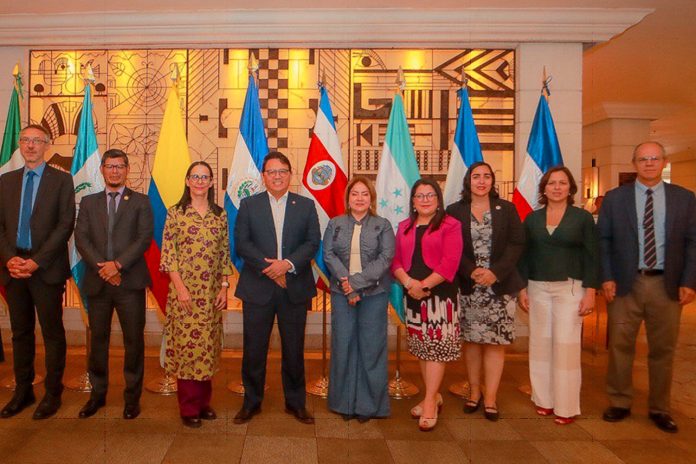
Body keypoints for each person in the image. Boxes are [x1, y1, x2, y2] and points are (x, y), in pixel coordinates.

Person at [598, 141, 696, 433]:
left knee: (663, 349)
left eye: (654, 158)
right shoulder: (615, 198)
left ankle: (659, 408)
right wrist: (606, 276)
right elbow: (602, 240)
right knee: (620, 345)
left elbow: (693, 242)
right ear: (634, 163)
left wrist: (689, 281)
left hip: (667, 284)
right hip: (626, 283)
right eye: (643, 159)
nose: (649, 163)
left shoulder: (685, 198)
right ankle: (619, 401)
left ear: (664, 161)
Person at [233, 151, 320, 425]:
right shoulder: (249, 205)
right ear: (264, 176)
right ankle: (251, 402)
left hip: (294, 288)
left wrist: (288, 265)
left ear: (290, 174)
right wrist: (271, 269)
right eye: (272, 172)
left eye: (282, 171)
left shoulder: (305, 206)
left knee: (294, 349)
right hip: (258, 288)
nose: (277, 176)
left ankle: (296, 403)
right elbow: (242, 243)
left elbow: (312, 242)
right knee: (254, 349)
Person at [0, 124, 75, 420]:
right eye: (25, 140)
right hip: (13, 269)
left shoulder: (61, 180)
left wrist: (37, 261)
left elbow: (65, 224)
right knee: (20, 333)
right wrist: (9, 259)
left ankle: (53, 393)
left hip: (45, 270)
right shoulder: (5, 181)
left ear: (47, 145)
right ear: (20, 144)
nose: (30, 146)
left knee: (52, 333)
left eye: (37, 141)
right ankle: (23, 390)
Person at [74, 149, 153, 420]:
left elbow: (144, 238)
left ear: (127, 169)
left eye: (120, 166)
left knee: (133, 342)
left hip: (129, 282)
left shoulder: (141, 201)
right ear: (103, 170)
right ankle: (97, 395)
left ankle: (132, 399)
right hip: (98, 284)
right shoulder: (88, 202)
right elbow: (81, 239)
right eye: (110, 166)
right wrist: (104, 268)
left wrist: (117, 265)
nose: (115, 171)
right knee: (98, 341)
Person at [518, 166, 599, 425]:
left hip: (570, 289)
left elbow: (592, 256)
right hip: (537, 287)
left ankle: (566, 407)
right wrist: (522, 288)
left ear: (570, 188)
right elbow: (524, 255)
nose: (556, 187)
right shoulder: (532, 219)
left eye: (562, 183)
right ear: (544, 188)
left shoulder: (582, 218)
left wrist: (591, 292)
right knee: (540, 345)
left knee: (566, 346)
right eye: (551, 183)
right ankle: (544, 400)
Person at [446, 162, 525, 421]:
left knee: (494, 344)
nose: (481, 181)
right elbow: (451, 248)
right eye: (476, 176)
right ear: (468, 181)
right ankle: (474, 392)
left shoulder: (507, 209)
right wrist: (471, 270)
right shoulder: (454, 211)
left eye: (487, 176)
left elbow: (516, 244)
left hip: (498, 288)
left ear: (493, 181)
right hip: (469, 287)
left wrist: (495, 272)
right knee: (471, 341)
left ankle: (491, 397)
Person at [160, 161, 232, 428]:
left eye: (205, 177)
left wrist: (225, 288)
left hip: (211, 295)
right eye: (195, 176)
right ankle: (188, 407)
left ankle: (204, 402)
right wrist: (180, 289)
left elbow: (224, 253)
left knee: (208, 349)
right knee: (188, 350)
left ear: (212, 182)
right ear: (187, 181)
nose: (200, 181)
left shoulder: (219, 215)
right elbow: (169, 255)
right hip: (184, 295)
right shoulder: (176, 213)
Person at [391, 178, 463, 431]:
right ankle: (432, 395)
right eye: (419, 196)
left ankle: (430, 401)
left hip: (440, 298)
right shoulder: (404, 226)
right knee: (422, 348)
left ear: (438, 199)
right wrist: (410, 283)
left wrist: (424, 286)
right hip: (412, 296)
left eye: (430, 195)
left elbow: (450, 263)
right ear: (412, 201)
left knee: (436, 350)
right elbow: (395, 261)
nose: (425, 200)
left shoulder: (451, 225)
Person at [323, 176, 394, 423]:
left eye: (365, 194)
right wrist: (347, 285)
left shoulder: (382, 225)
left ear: (371, 198)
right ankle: (344, 403)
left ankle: (369, 405)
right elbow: (328, 255)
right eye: (355, 194)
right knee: (343, 346)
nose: (360, 198)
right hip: (342, 295)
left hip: (374, 295)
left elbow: (385, 259)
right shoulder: (335, 223)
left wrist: (356, 283)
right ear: (348, 198)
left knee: (371, 348)